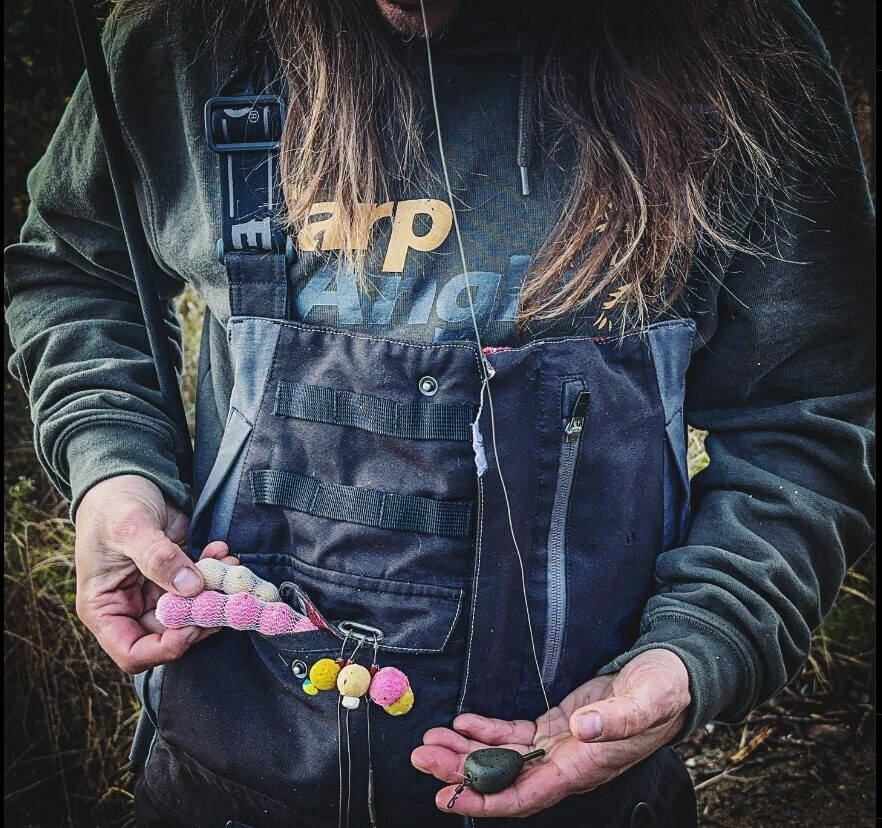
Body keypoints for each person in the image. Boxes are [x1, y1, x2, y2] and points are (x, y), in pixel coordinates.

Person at [4, 0, 874, 825]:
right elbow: (77, 267)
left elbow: (810, 414)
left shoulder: (741, 56)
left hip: (584, 799)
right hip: (211, 782)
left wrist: (696, 646)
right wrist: (111, 466)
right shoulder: (184, 35)